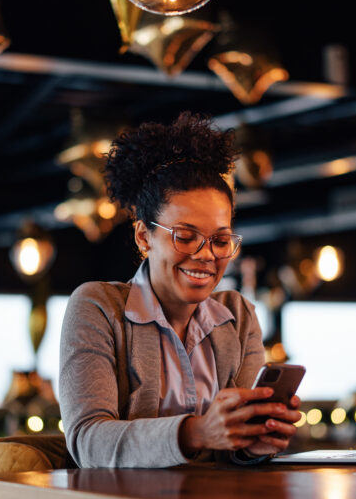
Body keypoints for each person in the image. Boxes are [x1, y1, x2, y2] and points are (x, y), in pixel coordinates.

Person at [59, 112, 301, 468]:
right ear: (144, 236)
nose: (206, 255)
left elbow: (233, 452)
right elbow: (87, 441)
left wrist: (255, 441)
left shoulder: (238, 316)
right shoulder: (98, 307)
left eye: (220, 240)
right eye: (185, 237)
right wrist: (197, 432)